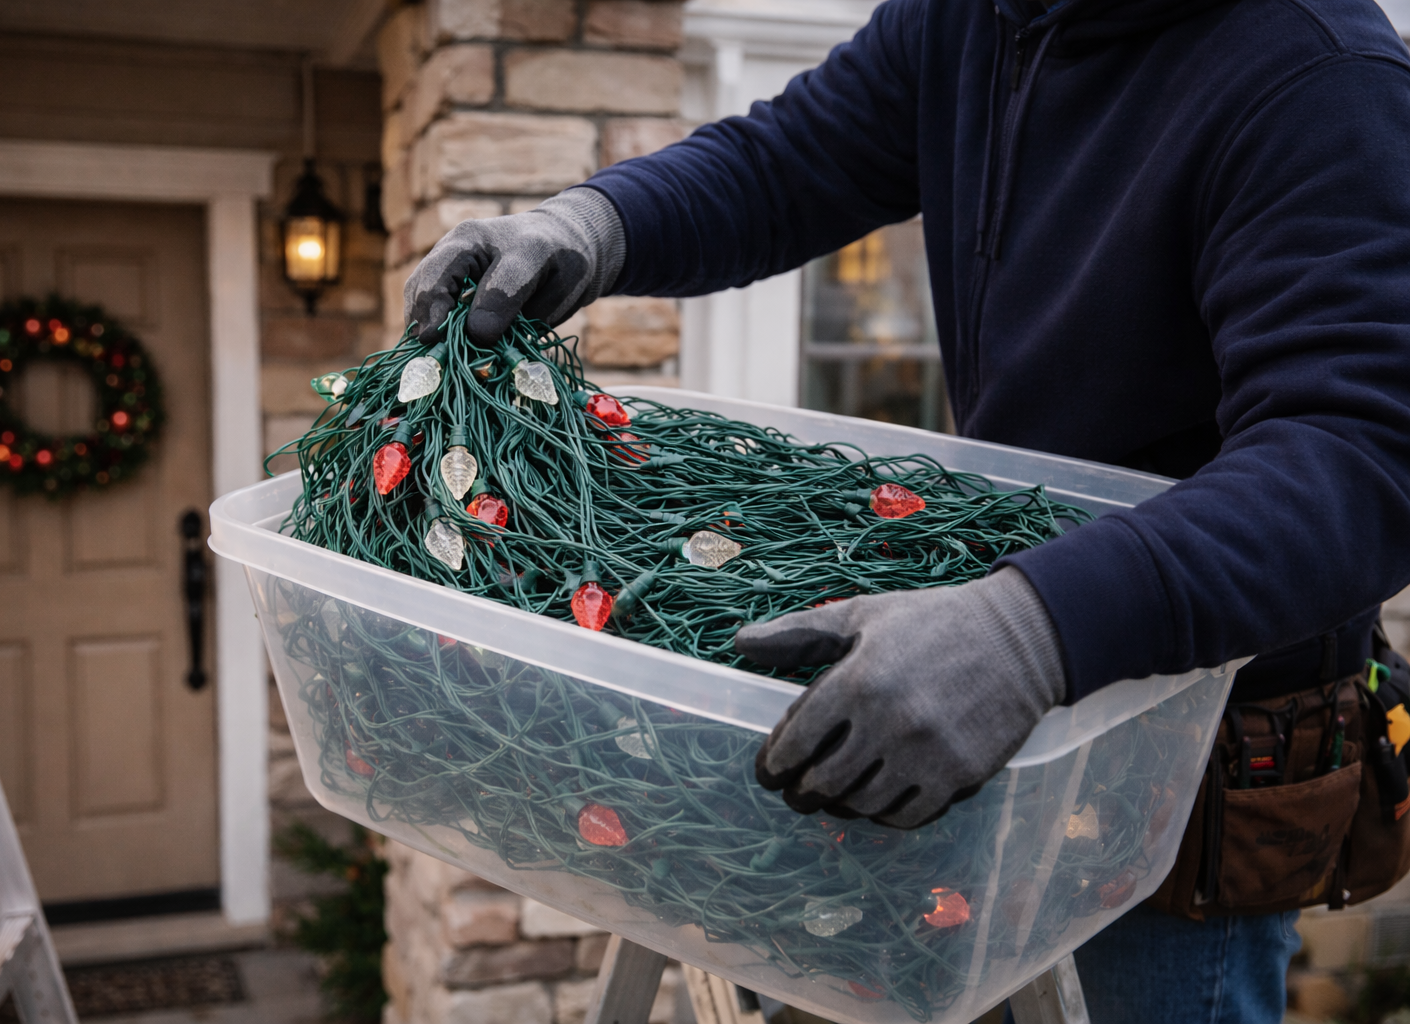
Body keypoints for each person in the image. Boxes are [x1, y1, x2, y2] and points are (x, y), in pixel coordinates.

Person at [405, 0, 1410, 1017]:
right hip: (982, 726)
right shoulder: (973, 18)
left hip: (1172, 772)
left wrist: (1033, 629)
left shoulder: (1319, 75)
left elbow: (1360, 456)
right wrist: (594, 225)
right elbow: (786, 162)